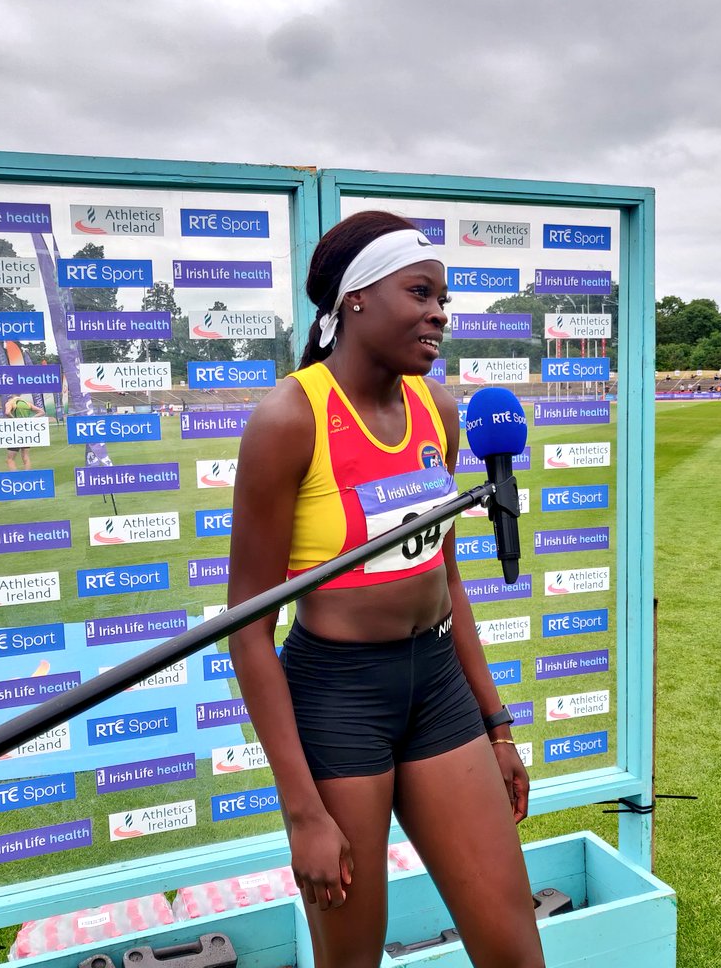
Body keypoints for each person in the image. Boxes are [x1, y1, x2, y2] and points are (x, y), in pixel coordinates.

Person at [227, 212, 544, 968]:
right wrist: (303, 811)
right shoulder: (288, 418)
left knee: (515, 954)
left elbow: (447, 575)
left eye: (445, 298)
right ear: (356, 300)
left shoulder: (437, 410)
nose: (440, 311)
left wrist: (496, 724)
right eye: (421, 291)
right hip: (338, 702)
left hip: (437, 690)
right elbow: (247, 629)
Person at [3, 393, 44, 470]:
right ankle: (27, 476)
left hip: (15, 432)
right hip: (26, 431)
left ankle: (16, 477)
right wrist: (31, 418)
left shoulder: (10, 403)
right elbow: (42, 412)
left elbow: (7, 412)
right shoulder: (26, 403)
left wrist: (14, 419)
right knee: (25, 456)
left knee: (10, 459)